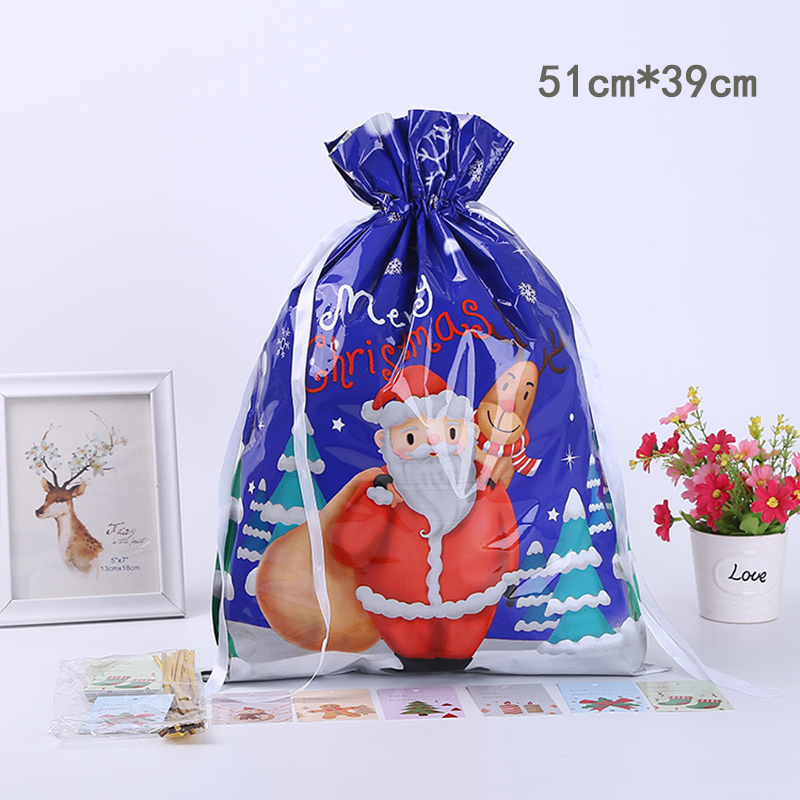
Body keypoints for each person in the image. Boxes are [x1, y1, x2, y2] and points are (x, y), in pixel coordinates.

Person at [330, 365, 518, 671]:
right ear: (384, 441)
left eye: (450, 433)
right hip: (396, 610)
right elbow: (349, 550)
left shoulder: (485, 489)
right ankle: (409, 657)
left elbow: (505, 532)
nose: (433, 446)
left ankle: (459, 656)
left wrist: (510, 575)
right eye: (411, 437)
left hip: (474, 606)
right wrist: (377, 505)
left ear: (468, 434)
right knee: (409, 650)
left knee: (462, 645)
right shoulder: (380, 491)